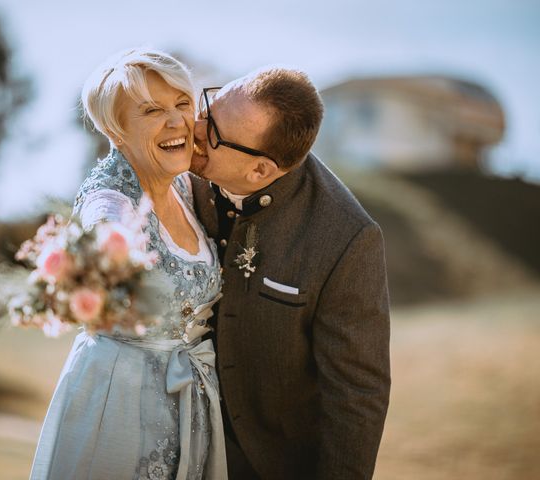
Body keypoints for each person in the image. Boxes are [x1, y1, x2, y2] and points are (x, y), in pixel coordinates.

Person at [30, 48, 228, 480]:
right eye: (153, 110)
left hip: (188, 404)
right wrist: (103, 251)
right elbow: (104, 228)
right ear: (116, 132)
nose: (176, 121)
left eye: (181, 104)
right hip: (117, 403)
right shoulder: (109, 197)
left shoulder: (186, 186)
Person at [189, 67, 391, 479]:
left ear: (260, 171)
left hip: (268, 463)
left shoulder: (347, 238)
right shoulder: (182, 170)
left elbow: (357, 394)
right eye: (209, 106)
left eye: (213, 132)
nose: (195, 127)